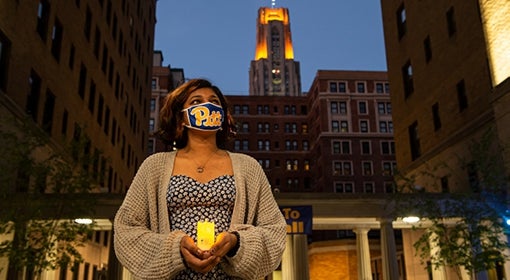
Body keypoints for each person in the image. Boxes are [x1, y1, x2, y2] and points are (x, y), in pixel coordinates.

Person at [113, 78, 287, 279]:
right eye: (196, 102)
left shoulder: (248, 167)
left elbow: (274, 231)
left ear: (223, 116)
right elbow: (126, 229)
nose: (207, 106)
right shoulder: (154, 167)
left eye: (214, 101)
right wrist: (175, 248)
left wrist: (235, 242)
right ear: (181, 118)